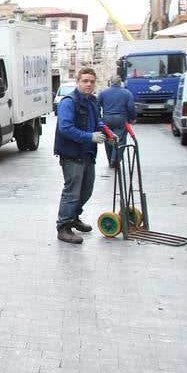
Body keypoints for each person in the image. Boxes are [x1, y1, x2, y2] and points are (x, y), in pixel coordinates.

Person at [53, 67, 109, 245]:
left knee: (86, 190)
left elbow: (97, 121)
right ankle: (63, 227)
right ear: (78, 82)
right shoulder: (69, 102)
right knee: (72, 192)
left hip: (87, 154)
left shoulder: (91, 100)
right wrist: (89, 136)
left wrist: (107, 132)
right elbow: (66, 128)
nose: (89, 84)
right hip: (72, 155)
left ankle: (74, 217)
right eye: (85, 81)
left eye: (92, 81)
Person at [98, 75, 136, 169]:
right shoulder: (127, 93)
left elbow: (97, 106)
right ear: (120, 83)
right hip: (121, 119)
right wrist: (133, 118)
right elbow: (131, 107)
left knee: (108, 139)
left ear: (110, 82)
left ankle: (110, 159)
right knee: (120, 140)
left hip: (106, 119)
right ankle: (115, 160)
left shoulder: (103, 93)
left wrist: (98, 118)